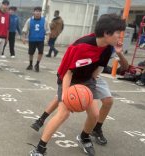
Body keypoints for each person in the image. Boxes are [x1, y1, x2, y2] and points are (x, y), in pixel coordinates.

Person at [29, 13, 126, 156]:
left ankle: (84, 137)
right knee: (64, 114)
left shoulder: (107, 48)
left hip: (87, 79)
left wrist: (90, 86)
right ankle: (39, 149)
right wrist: (66, 95)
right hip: (69, 78)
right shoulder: (82, 47)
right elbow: (68, 73)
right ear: (106, 33)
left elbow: (96, 70)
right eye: (118, 33)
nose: (120, 36)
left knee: (94, 114)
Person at [31, 58, 129, 146]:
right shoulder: (91, 44)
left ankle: (96, 129)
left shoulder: (111, 47)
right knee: (62, 100)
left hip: (93, 79)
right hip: (77, 77)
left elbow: (125, 67)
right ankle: (41, 120)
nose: (119, 37)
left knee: (108, 101)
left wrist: (119, 53)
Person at [22, 7, 50, 72]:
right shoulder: (30, 20)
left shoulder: (44, 20)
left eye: (39, 11)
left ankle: (37, 64)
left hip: (40, 39)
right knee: (31, 53)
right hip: (32, 39)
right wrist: (24, 38)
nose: (38, 12)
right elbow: (25, 29)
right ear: (34, 12)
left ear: (41, 12)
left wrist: (47, 36)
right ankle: (30, 64)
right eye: (36, 11)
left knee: (41, 52)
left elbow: (47, 29)